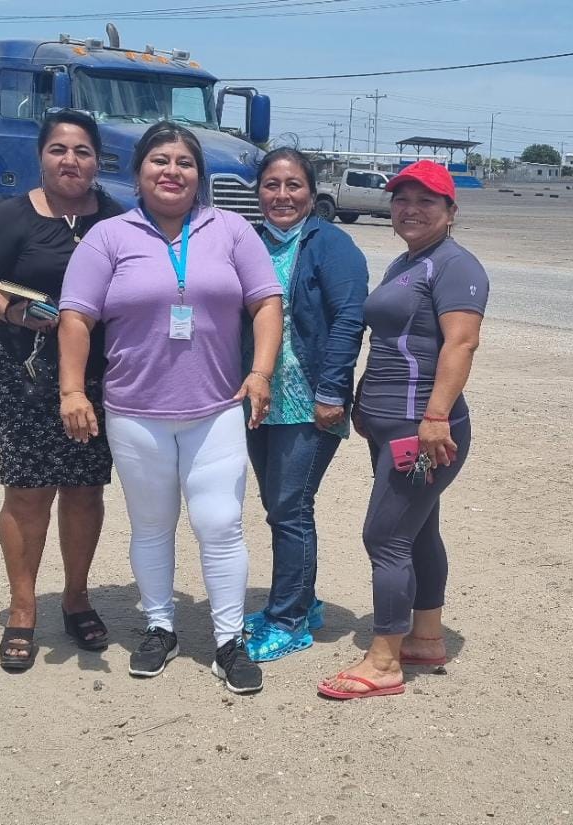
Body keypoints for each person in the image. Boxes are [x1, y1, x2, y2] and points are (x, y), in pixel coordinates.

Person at [59, 121, 284, 695]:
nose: (172, 171)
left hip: (216, 408)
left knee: (220, 524)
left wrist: (260, 373)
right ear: (139, 172)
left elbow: (266, 303)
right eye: (159, 161)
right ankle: (160, 627)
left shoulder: (231, 230)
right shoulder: (109, 237)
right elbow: (76, 316)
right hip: (136, 412)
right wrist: (72, 391)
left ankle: (228, 640)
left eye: (184, 162)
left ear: (198, 175)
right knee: (152, 525)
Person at [0, 110, 124, 673]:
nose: (70, 161)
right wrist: (15, 312)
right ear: (41, 157)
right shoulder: (14, 216)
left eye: (82, 151)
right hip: (25, 374)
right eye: (58, 150)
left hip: (98, 377)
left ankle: (76, 598)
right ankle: (24, 608)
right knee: (27, 493)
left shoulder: (116, 221)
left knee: (83, 490)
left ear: (97, 160)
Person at [319, 159, 489, 700]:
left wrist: (436, 417)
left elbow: (461, 343)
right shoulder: (407, 261)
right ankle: (426, 638)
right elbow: (392, 343)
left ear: (451, 211)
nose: (410, 210)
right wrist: (365, 402)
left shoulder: (455, 266)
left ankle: (385, 661)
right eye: (401, 200)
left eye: (426, 201)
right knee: (417, 530)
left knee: (385, 536)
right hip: (390, 425)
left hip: (422, 428)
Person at [242, 148, 369, 663]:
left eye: (293, 185)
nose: (282, 195)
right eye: (271, 185)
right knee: (280, 507)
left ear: (312, 194)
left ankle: (288, 620)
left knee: (290, 508)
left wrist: (332, 392)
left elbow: (349, 320)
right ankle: (303, 602)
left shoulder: (332, 245)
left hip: (312, 401)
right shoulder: (249, 242)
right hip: (260, 399)